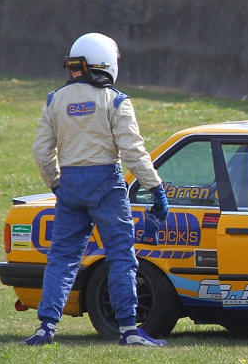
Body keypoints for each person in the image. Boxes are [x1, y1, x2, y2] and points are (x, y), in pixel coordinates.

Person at [24, 32, 169, 346]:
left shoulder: (55, 99)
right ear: (108, 62)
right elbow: (132, 151)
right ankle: (128, 328)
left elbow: (41, 150)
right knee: (120, 256)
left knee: (61, 257)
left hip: (70, 185)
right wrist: (155, 188)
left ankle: (46, 327)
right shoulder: (115, 100)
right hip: (106, 184)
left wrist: (55, 183)